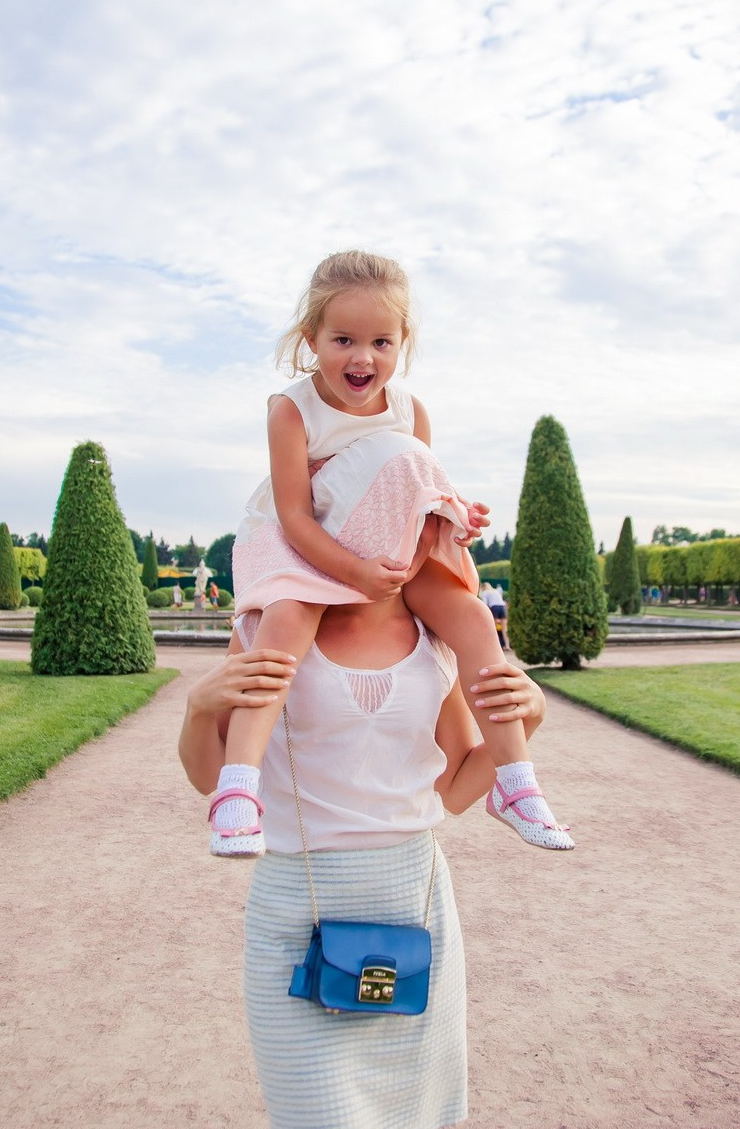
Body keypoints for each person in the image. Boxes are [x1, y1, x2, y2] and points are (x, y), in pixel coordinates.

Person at [179, 517, 551, 1128]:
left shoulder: (437, 640)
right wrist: (198, 710)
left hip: (413, 902)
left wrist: (528, 721)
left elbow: (457, 787)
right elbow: (208, 778)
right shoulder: (270, 624)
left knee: (417, 1115)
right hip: (296, 908)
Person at [214, 250, 571, 858]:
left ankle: (514, 780)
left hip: (387, 546)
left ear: (403, 342)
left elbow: (419, 493)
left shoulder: (410, 411)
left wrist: (457, 517)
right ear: (311, 339)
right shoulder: (291, 410)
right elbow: (296, 516)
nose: (363, 357)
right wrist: (352, 571)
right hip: (304, 548)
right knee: (284, 624)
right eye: (344, 339)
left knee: (473, 616)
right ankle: (238, 787)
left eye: (382, 341)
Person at [480, 582, 509, 649]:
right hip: (502, 607)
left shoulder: (485, 592)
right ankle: (507, 646)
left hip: (495, 608)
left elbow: (485, 604)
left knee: (494, 629)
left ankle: (495, 647)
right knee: (504, 629)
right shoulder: (496, 591)